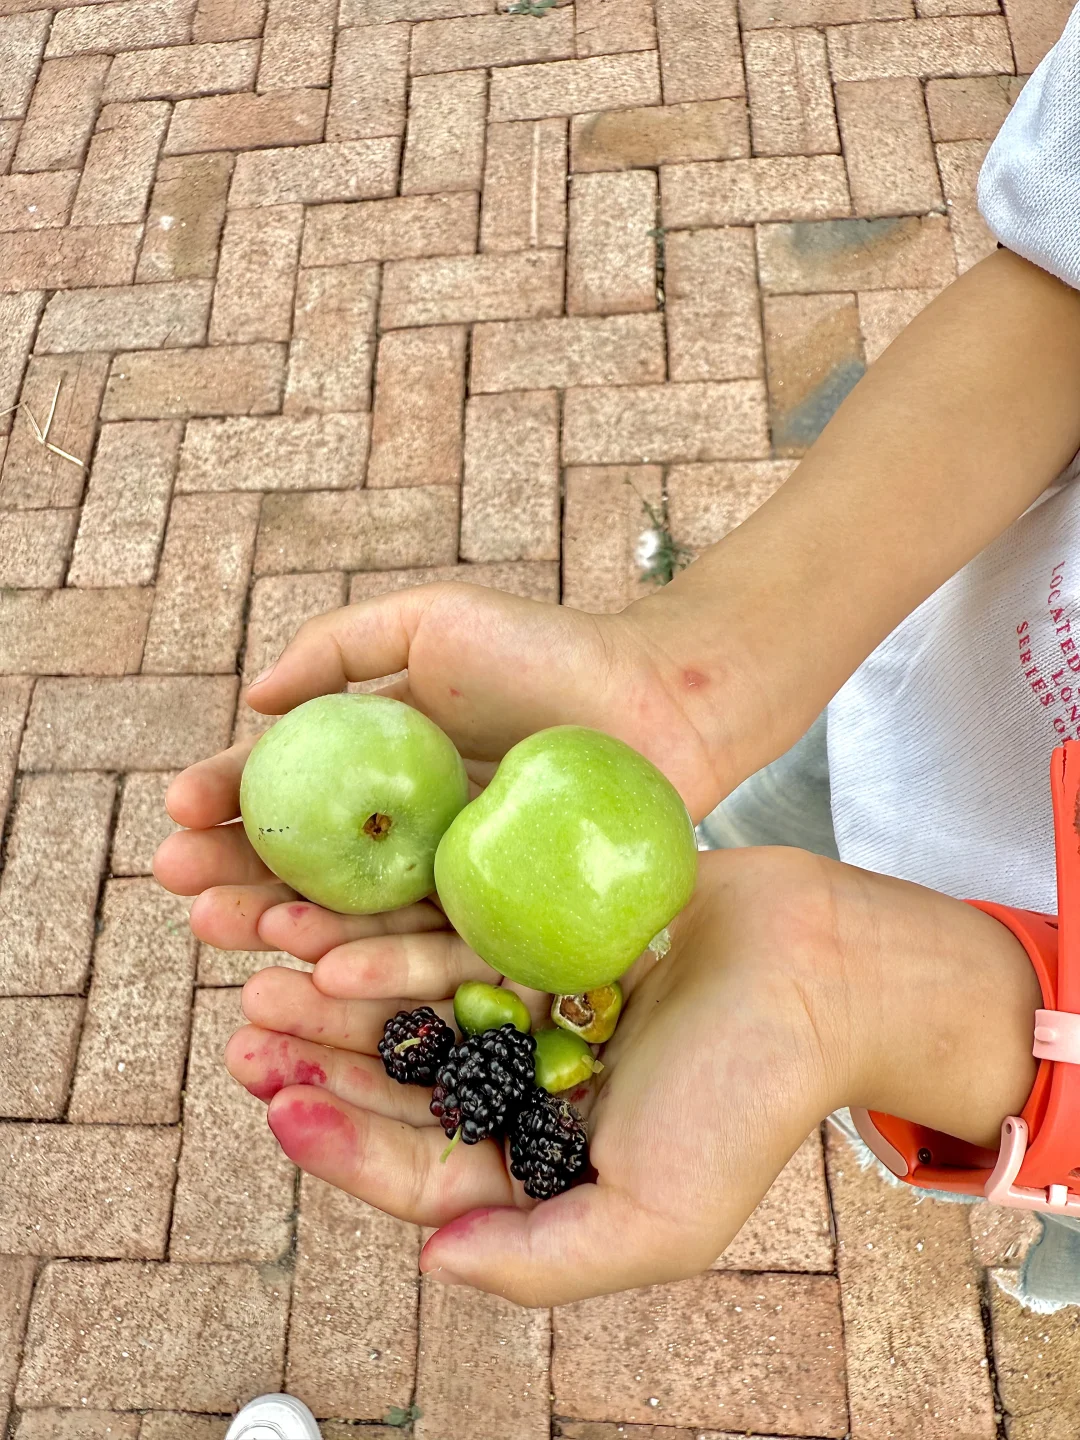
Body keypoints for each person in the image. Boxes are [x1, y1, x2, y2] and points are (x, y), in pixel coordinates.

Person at [155, 7, 1080, 1312]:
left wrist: (923, 1023)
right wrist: (708, 672)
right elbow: (1064, 281)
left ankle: (1055, 1212)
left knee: (1057, 1199)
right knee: (769, 822)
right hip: (917, 708)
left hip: (1041, 1069)